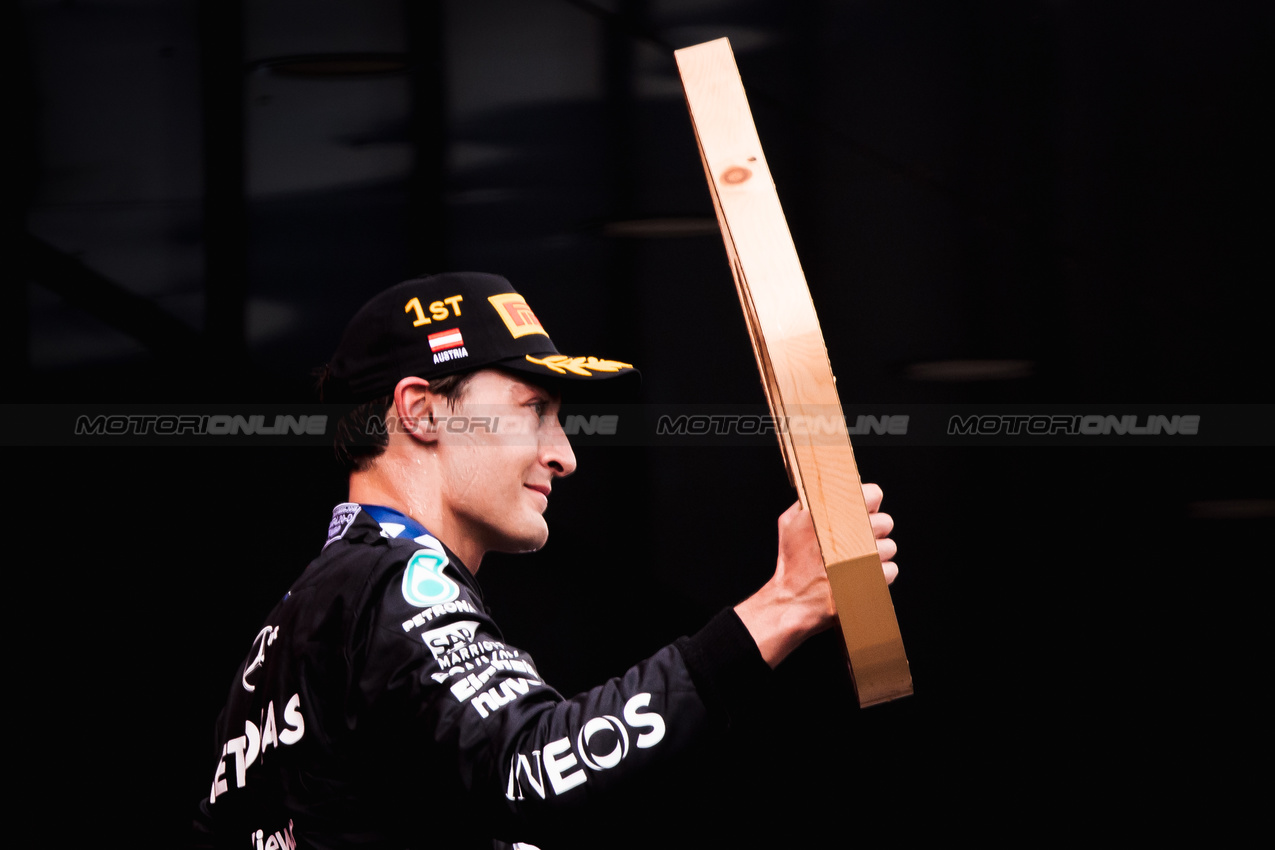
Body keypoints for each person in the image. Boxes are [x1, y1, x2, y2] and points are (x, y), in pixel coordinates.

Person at [192, 271, 898, 850]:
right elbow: (533, 766)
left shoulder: (298, 626)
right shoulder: (391, 581)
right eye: (533, 410)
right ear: (422, 411)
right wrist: (785, 603)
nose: (563, 455)